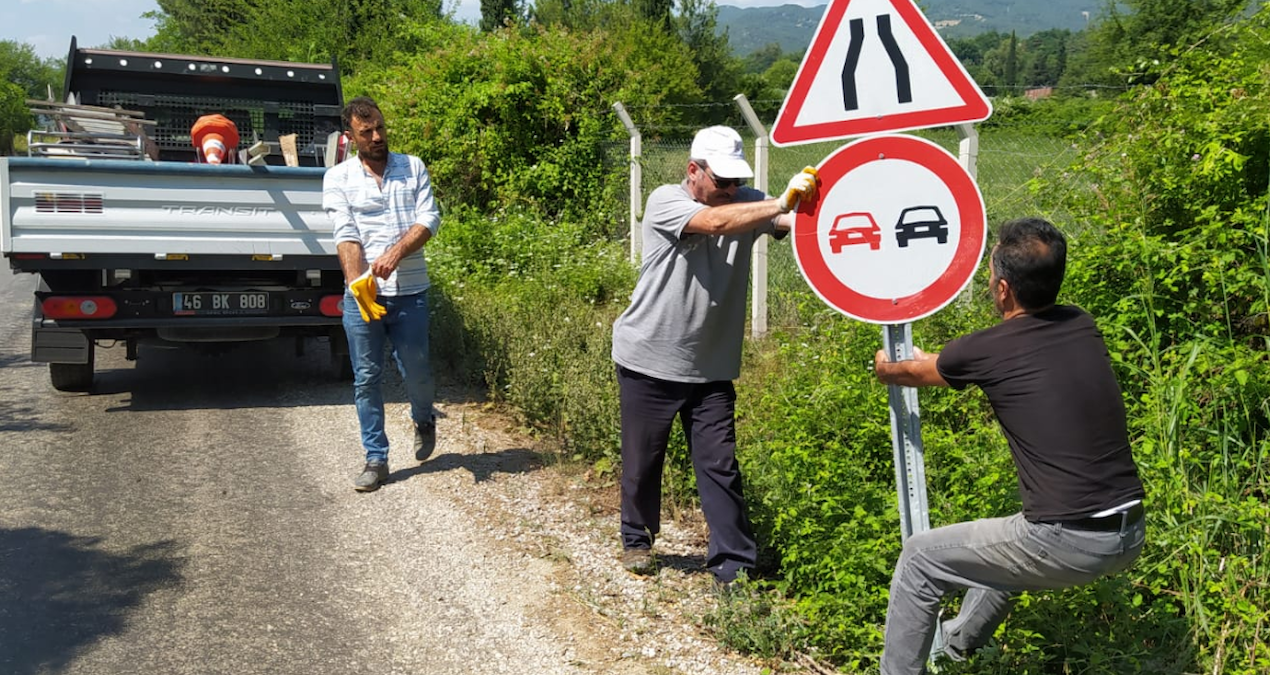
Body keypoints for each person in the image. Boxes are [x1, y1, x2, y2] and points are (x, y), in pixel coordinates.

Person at [872, 217, 1147, 674]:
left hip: (1067, 540)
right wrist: (933, 360)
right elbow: (963, 360)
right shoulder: (1081, 322)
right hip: (1130, 530)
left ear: (1003, 290)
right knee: (1009, 537)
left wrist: (887, 368)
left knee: (919, 559)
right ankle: (959, 643)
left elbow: (912, 372)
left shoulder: (984, 348)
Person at [610, 125, 820, 585]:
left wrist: (825, 206)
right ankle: (637, 539)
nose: (730, 190)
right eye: (721, 181)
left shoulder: (748, 199)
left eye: (735, 181)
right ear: (693, 171)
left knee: (720, 464)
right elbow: (715, 224)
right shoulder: (668, 200)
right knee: (643, 459)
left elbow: (792, 224)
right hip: (649, 358)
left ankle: (734, 567)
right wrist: (780, 204)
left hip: (712, 368)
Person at [323, 96, 441, 492]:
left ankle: (424, 418)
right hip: (363, 297)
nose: (376, 137)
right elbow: (346, 234)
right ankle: (376, 458)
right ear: (350, 137)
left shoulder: (413, 167)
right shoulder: (338, 179)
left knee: (418, 373)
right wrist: (359, 286)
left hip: (410, 292)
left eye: (380, 128)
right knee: (367, 379)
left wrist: (394, 253)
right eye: (366, 132)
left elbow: (429, 218)